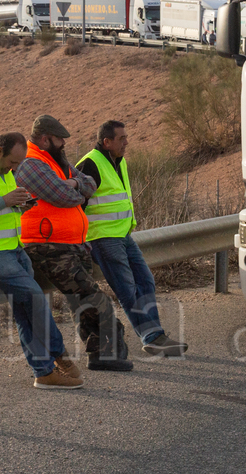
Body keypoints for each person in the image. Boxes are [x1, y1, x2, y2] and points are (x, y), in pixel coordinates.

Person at [0, 132, 83, 390]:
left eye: (19, 163)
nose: (15, 168)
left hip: (13, 248)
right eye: (13, 163)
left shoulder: (4, 170)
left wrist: (18, 206)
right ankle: (59, 354)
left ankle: (44, 372)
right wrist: (3, 201)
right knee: (34, 296)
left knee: (25, 308)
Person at [17, 115, 134, 372]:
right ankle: (110, 347)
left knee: (83, 303)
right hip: (48, 247)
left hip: (73, 244)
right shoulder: (31, 164)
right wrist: (73, 187)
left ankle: (100, 355)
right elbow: (65, 197)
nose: (64, 144)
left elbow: (90, 183)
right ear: (46, 139)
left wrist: (73, 182)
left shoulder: (55, 161)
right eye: (60, 139)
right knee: (95, 299)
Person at [76, 120, 188, 357]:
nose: (127, 142)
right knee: (127, 289)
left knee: (146, 281)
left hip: (123, 235)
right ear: (107, 142)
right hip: (103, 238)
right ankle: (152, 336)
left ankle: (155, 334)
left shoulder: (119, 161)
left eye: (126, 137)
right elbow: (77, 205)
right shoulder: (89, 164)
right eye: (122, 139)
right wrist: (82, 240)